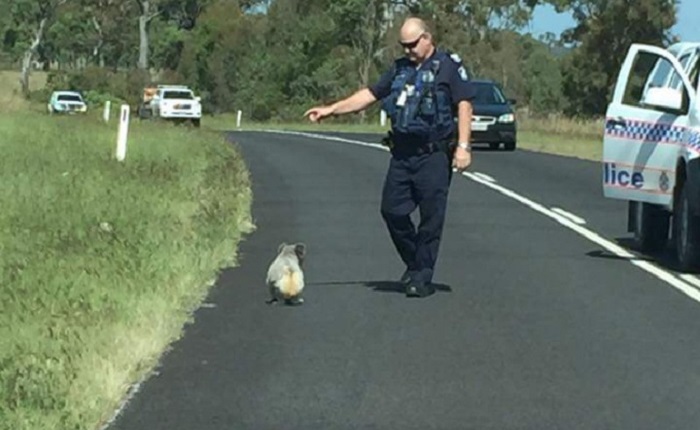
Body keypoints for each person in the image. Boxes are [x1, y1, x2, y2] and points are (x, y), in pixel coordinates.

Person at [303, 17, 475, 298]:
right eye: (403, 45)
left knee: (431, 218)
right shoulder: (400, 69)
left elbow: (465, 105)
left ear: (427, 38)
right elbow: (370, 95)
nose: (408, 50)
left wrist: (464, 147)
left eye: (412, 44)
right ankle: (415, 262)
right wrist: (331, 109)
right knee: (392, 210)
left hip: (433, 154)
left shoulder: (448, 67)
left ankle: (421, 277)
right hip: (402, 154)